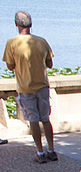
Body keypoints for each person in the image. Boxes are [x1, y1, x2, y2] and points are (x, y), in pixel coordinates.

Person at [2, 11, 56, 163]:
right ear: (31, 24)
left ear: (16, 24)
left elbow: (11, 65)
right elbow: (50, 63)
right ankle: (51, 149)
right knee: (46, 119)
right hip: (43, 86)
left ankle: (40, 152)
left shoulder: (11, 43)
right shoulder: (42, 41)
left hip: (25, 87)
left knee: (33, 120)